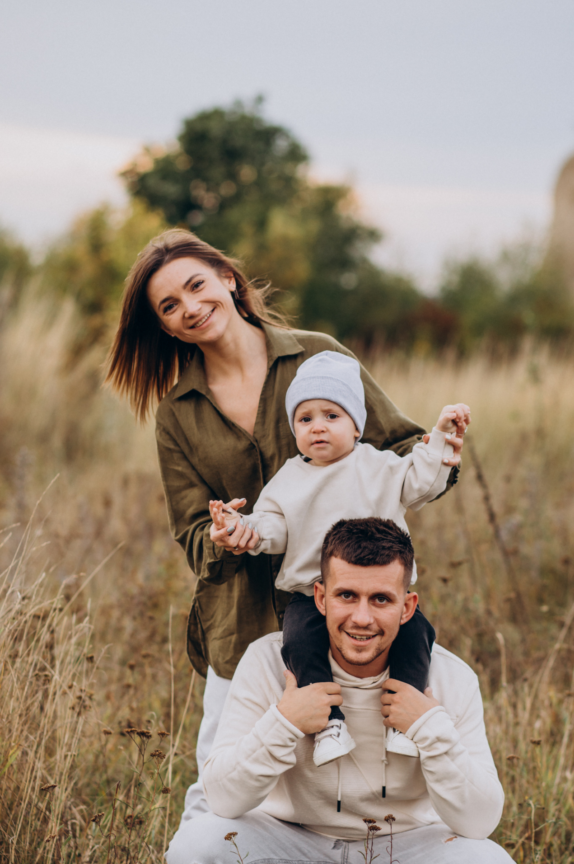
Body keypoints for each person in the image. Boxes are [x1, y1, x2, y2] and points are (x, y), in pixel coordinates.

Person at [105, 229, 465, 823]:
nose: (190, 307)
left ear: (228, 279)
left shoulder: (319, 358)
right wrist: (224, 536)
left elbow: (402, 448)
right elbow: (192, 533)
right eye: (169, 306)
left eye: (196, 285)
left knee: (358, 769)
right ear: (164, 326)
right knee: (221, 776)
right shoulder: (177, 414)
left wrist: (438, 455)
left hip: (353, 610)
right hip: (241, 621)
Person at [166, 518, 534, 864]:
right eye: (346, 596)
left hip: (401, 854)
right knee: (192, 854)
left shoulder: (450, 678)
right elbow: (223, 798)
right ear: (320, 597)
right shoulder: (267, 662)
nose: (362, 617)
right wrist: (285, 721)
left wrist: (429, 726)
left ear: (408, 606)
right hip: (291, 849)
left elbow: (480, 821)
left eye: (381, 599)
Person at [208, 351, 471, 767]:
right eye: (305, 419)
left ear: (356, 425)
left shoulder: (380, 466)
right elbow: (273, 527)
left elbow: (421, 481)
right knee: (299, 642)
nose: (318, 427)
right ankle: (329, 724)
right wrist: (241, 527)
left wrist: (439, 439)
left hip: (380, 592)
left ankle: (405, 719)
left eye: (331, 415)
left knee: (417, 634)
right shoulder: (289, 480)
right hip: (312, 596)